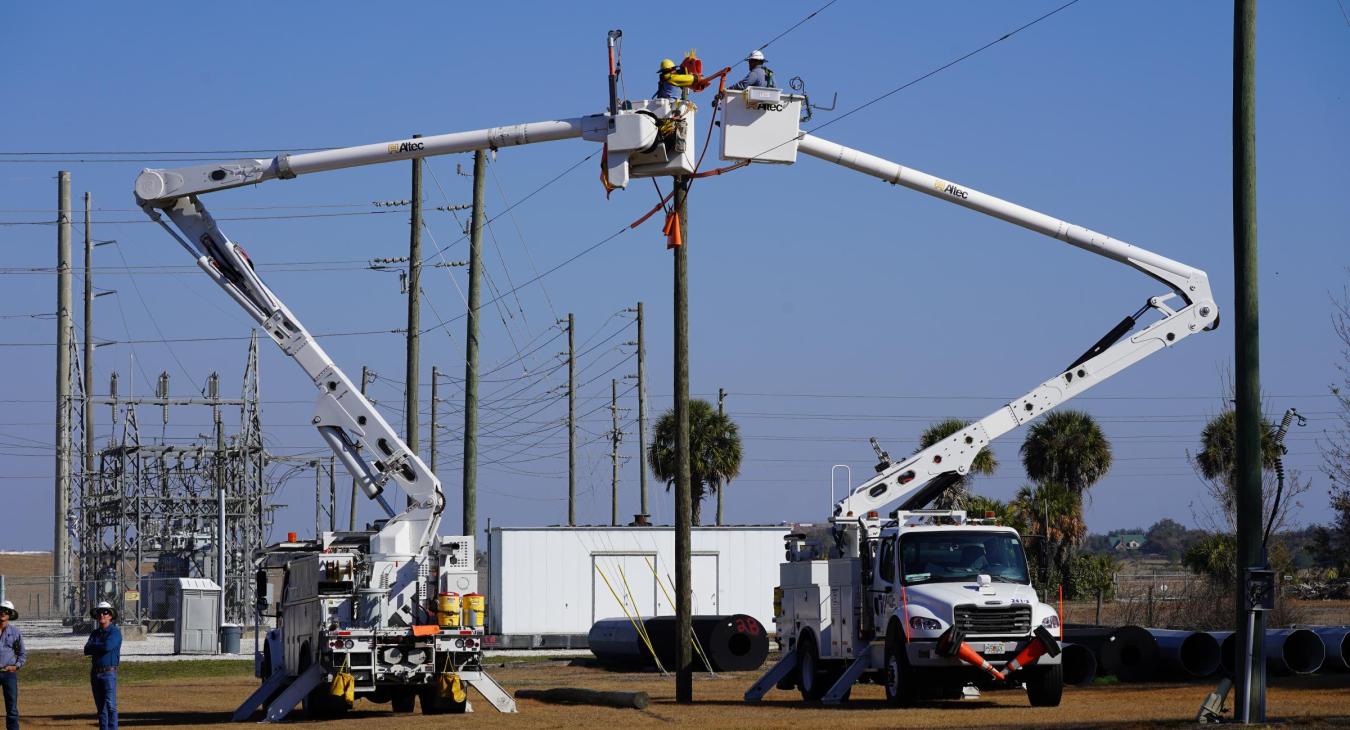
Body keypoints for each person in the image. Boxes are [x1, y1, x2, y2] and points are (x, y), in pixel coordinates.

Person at [84, 602, 121, 730]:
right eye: (100, 612)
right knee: (101, 708)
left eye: (105, 612)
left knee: (110, 706)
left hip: (108, 673)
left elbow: (108, 646)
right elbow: (86, 649)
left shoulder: (114, 632)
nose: (102, 615)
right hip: (95, 673)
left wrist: (96, 646)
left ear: (110, 616)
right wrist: (99, 646)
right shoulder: (95, 633)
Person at [0, 600, 26, 730]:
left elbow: (22, 654)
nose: (3, 613)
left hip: (9, 673)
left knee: (12, 708)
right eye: (1, 610)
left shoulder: (15, 633)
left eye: (6, 611)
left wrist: (15, 666)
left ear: (10, 614)